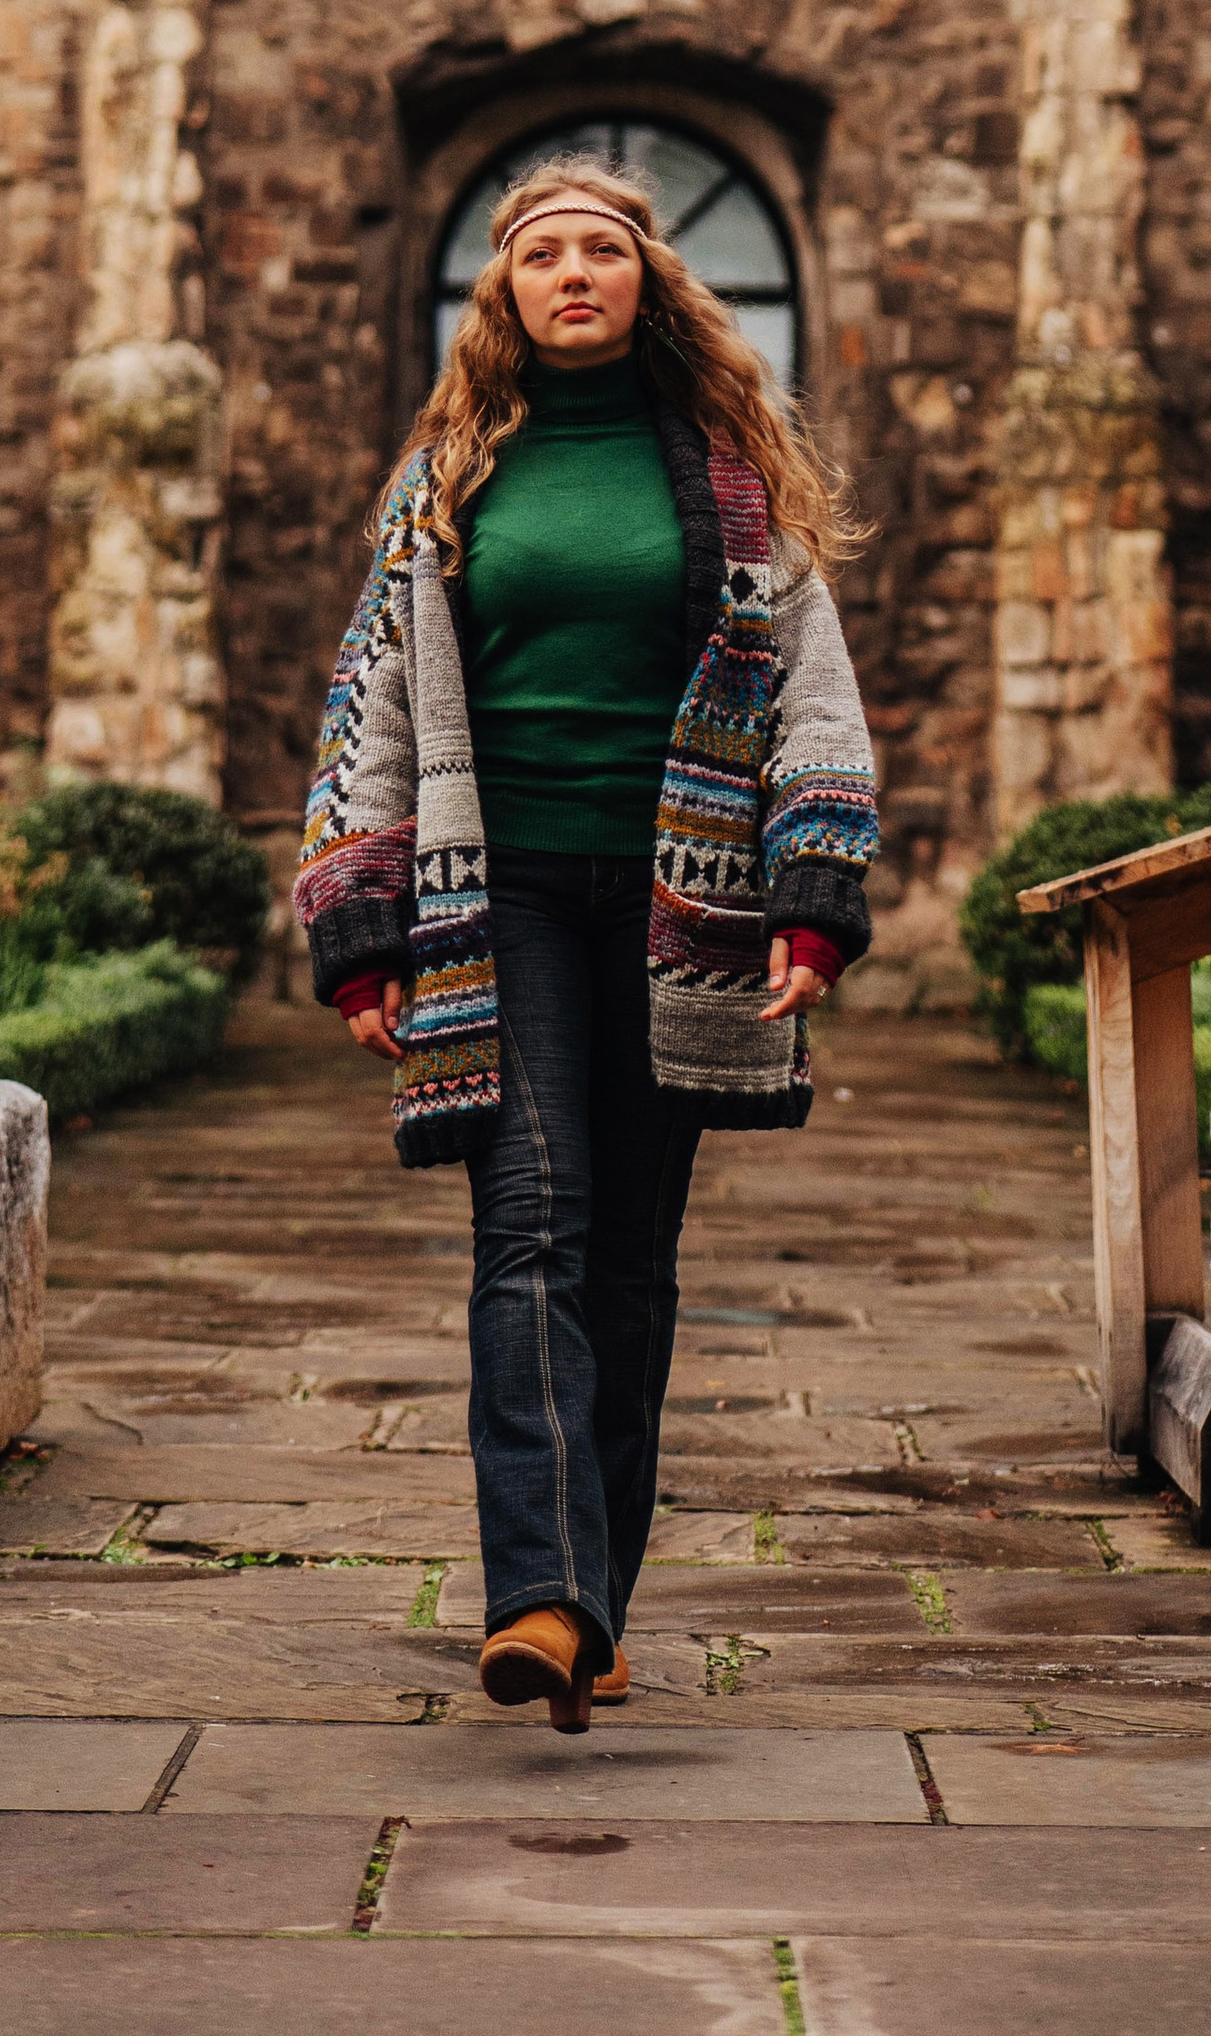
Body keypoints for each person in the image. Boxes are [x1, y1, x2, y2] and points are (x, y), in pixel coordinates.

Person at [296, 150, 878, 1732]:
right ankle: (540, 1594)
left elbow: (813, 691)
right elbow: (377, 707)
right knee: (536, 1215)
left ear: (645, 279)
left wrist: (816, 894)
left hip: (685, 903)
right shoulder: (450, 476)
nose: (571, 272)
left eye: (599, 250)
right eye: (540, 250)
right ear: (505, 285)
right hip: (509, 898)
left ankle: (595, 1601)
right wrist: (364, 928)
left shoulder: (732, 468)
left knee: (630, 1256)